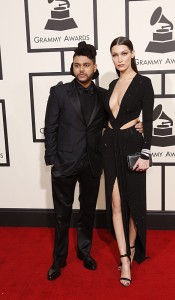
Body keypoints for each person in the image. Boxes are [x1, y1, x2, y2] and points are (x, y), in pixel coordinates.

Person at [44, 41, 143, 281]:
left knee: (87, 212)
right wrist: (53, 160)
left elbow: (117, 121)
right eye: (77, 65)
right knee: (61, 215)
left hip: (92, 163)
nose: (81, 70)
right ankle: (58, 260)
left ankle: (84, 252)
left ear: (95, 66)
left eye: (86, 65)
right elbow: (50, 128)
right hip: (65, 164)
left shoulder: (104, 95)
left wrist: (138, 126)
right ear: (73, 66)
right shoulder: (58, 93)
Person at [102, 36, 154, 287]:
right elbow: (107, 118)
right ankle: (124, 259)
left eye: (124, 53)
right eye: (115, 54)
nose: (119, 59)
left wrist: (146, 153)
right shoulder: (111, 84)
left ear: (132, 54)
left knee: (132, 203)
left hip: (133, 146)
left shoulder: (143, 83)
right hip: (110, 146)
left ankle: (132, 247)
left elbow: (150, 121)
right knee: (115, 203)